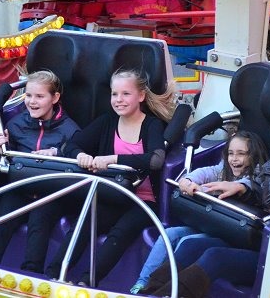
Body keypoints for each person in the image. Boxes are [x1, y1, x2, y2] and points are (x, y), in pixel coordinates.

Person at [141, 70, 270, 298]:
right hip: (260, 240)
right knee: (191, 246)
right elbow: (262, 186)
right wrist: (242, 187)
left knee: (215, 257)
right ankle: (149, 294)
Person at [44, 68, 175, 286]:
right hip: (113, 194)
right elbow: (72, 145)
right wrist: (81, 155)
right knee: (85, 222)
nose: (118, 99)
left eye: (126, 94)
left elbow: (155, 160)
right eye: (115, 94)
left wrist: (113, 159)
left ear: (141, 96)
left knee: (120, 233)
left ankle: (87, 283)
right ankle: (54, 276)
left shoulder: (152, 125)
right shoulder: (107, 121)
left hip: (142, 200)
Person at [129, 130, 268, 294]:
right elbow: (207, 172)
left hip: (234, 236)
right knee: (170, 234)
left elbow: (250, 185)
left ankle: (167, 290)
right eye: (231, 153)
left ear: (253, 155)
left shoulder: (259, 176)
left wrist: (211, 189)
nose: (234, 159)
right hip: (214, 226)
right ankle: (142, 285)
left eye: (241, 154)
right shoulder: (224, 169)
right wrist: (189, 180)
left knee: (188, 242)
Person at [0, 70, 80, 273]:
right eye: (29, 95)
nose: (32, 102)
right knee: (3, 222)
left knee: (38, 222)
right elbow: (7, 162)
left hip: (51, 191)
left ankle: (31, 275)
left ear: (55, 98)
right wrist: (1, 150)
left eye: (40, 96)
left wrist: (57, 152)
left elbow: (79, 158)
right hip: (21, 187)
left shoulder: (70, 129)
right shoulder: (16, 124)